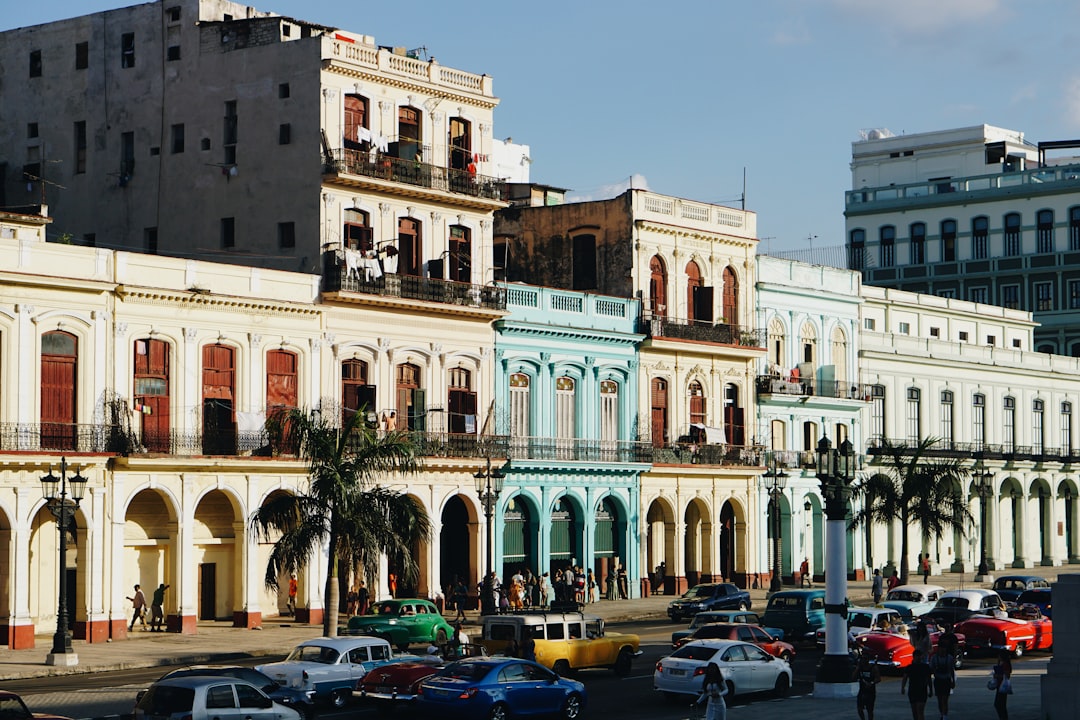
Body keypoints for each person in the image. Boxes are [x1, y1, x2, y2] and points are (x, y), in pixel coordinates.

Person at [900, 647, 933, 720]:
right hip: (912, 691)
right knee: (914, 711)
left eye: (919, 656)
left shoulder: (925, 667)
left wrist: (930, 690)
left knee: (920, 711)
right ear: (914, 657)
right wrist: (903, 687)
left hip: (922, 690)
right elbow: (905, 678)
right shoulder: (909, 667)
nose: (919, 657)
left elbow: (929, 679)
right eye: (917, 656)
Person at [929, 642, 956, 720]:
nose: (942, 650)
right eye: (941, 648)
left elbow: (951, 670)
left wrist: (953, 681)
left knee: (945, 699)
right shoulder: (934, 658)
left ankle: (945, 716)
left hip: (946, 680)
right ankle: (942, 713)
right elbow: (930, 669)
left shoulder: (949, 658)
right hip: (938, 680)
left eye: (944, 648)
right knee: (940, 700)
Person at [854, 653, 881, 720]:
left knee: (870, 710)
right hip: (862, 691)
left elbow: (878, 679)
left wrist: (871, 683)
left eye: (865, 659)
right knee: (859, 708)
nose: (863, 660)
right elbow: (853, 677)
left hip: (870, 692)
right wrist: (857, 669)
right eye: (862, 659)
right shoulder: (860, 668)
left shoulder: (873, 668)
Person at [992, 650, 1013, 720]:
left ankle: (1003, 717)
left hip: (1002, 686)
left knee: (999, 704)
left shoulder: (1005, 665)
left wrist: (997, 675)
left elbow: (1007, 675)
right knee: (1000, 704)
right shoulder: (1002, 664)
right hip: (999, 685)